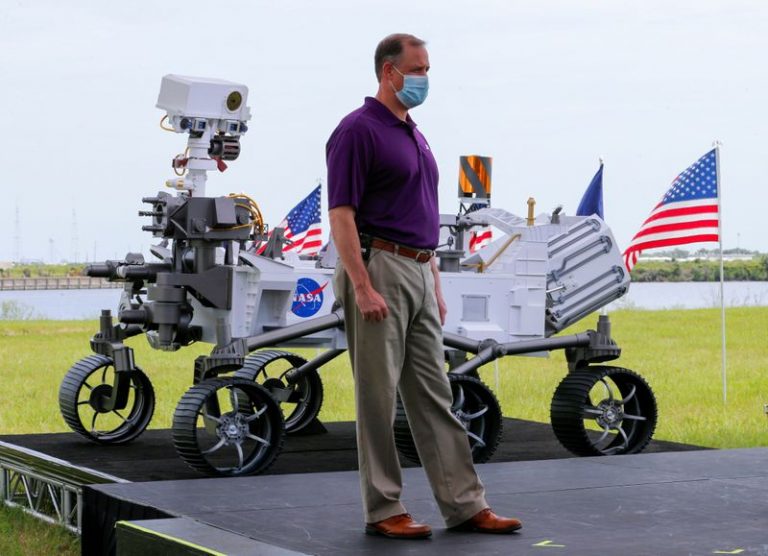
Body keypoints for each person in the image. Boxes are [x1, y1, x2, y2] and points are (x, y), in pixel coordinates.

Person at [326, 33, 523, 539]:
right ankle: (384, 508)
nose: (424, 79)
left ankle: (464, 504)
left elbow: (419, 212)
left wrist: (432, 275)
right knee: (377, 396)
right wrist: (363, 287)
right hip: (380, 268)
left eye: (427, 69)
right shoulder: (357, 131)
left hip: (417, 268)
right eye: (417, 70)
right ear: (388, 72)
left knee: (434, 394)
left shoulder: (414, 132)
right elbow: (342, 216)